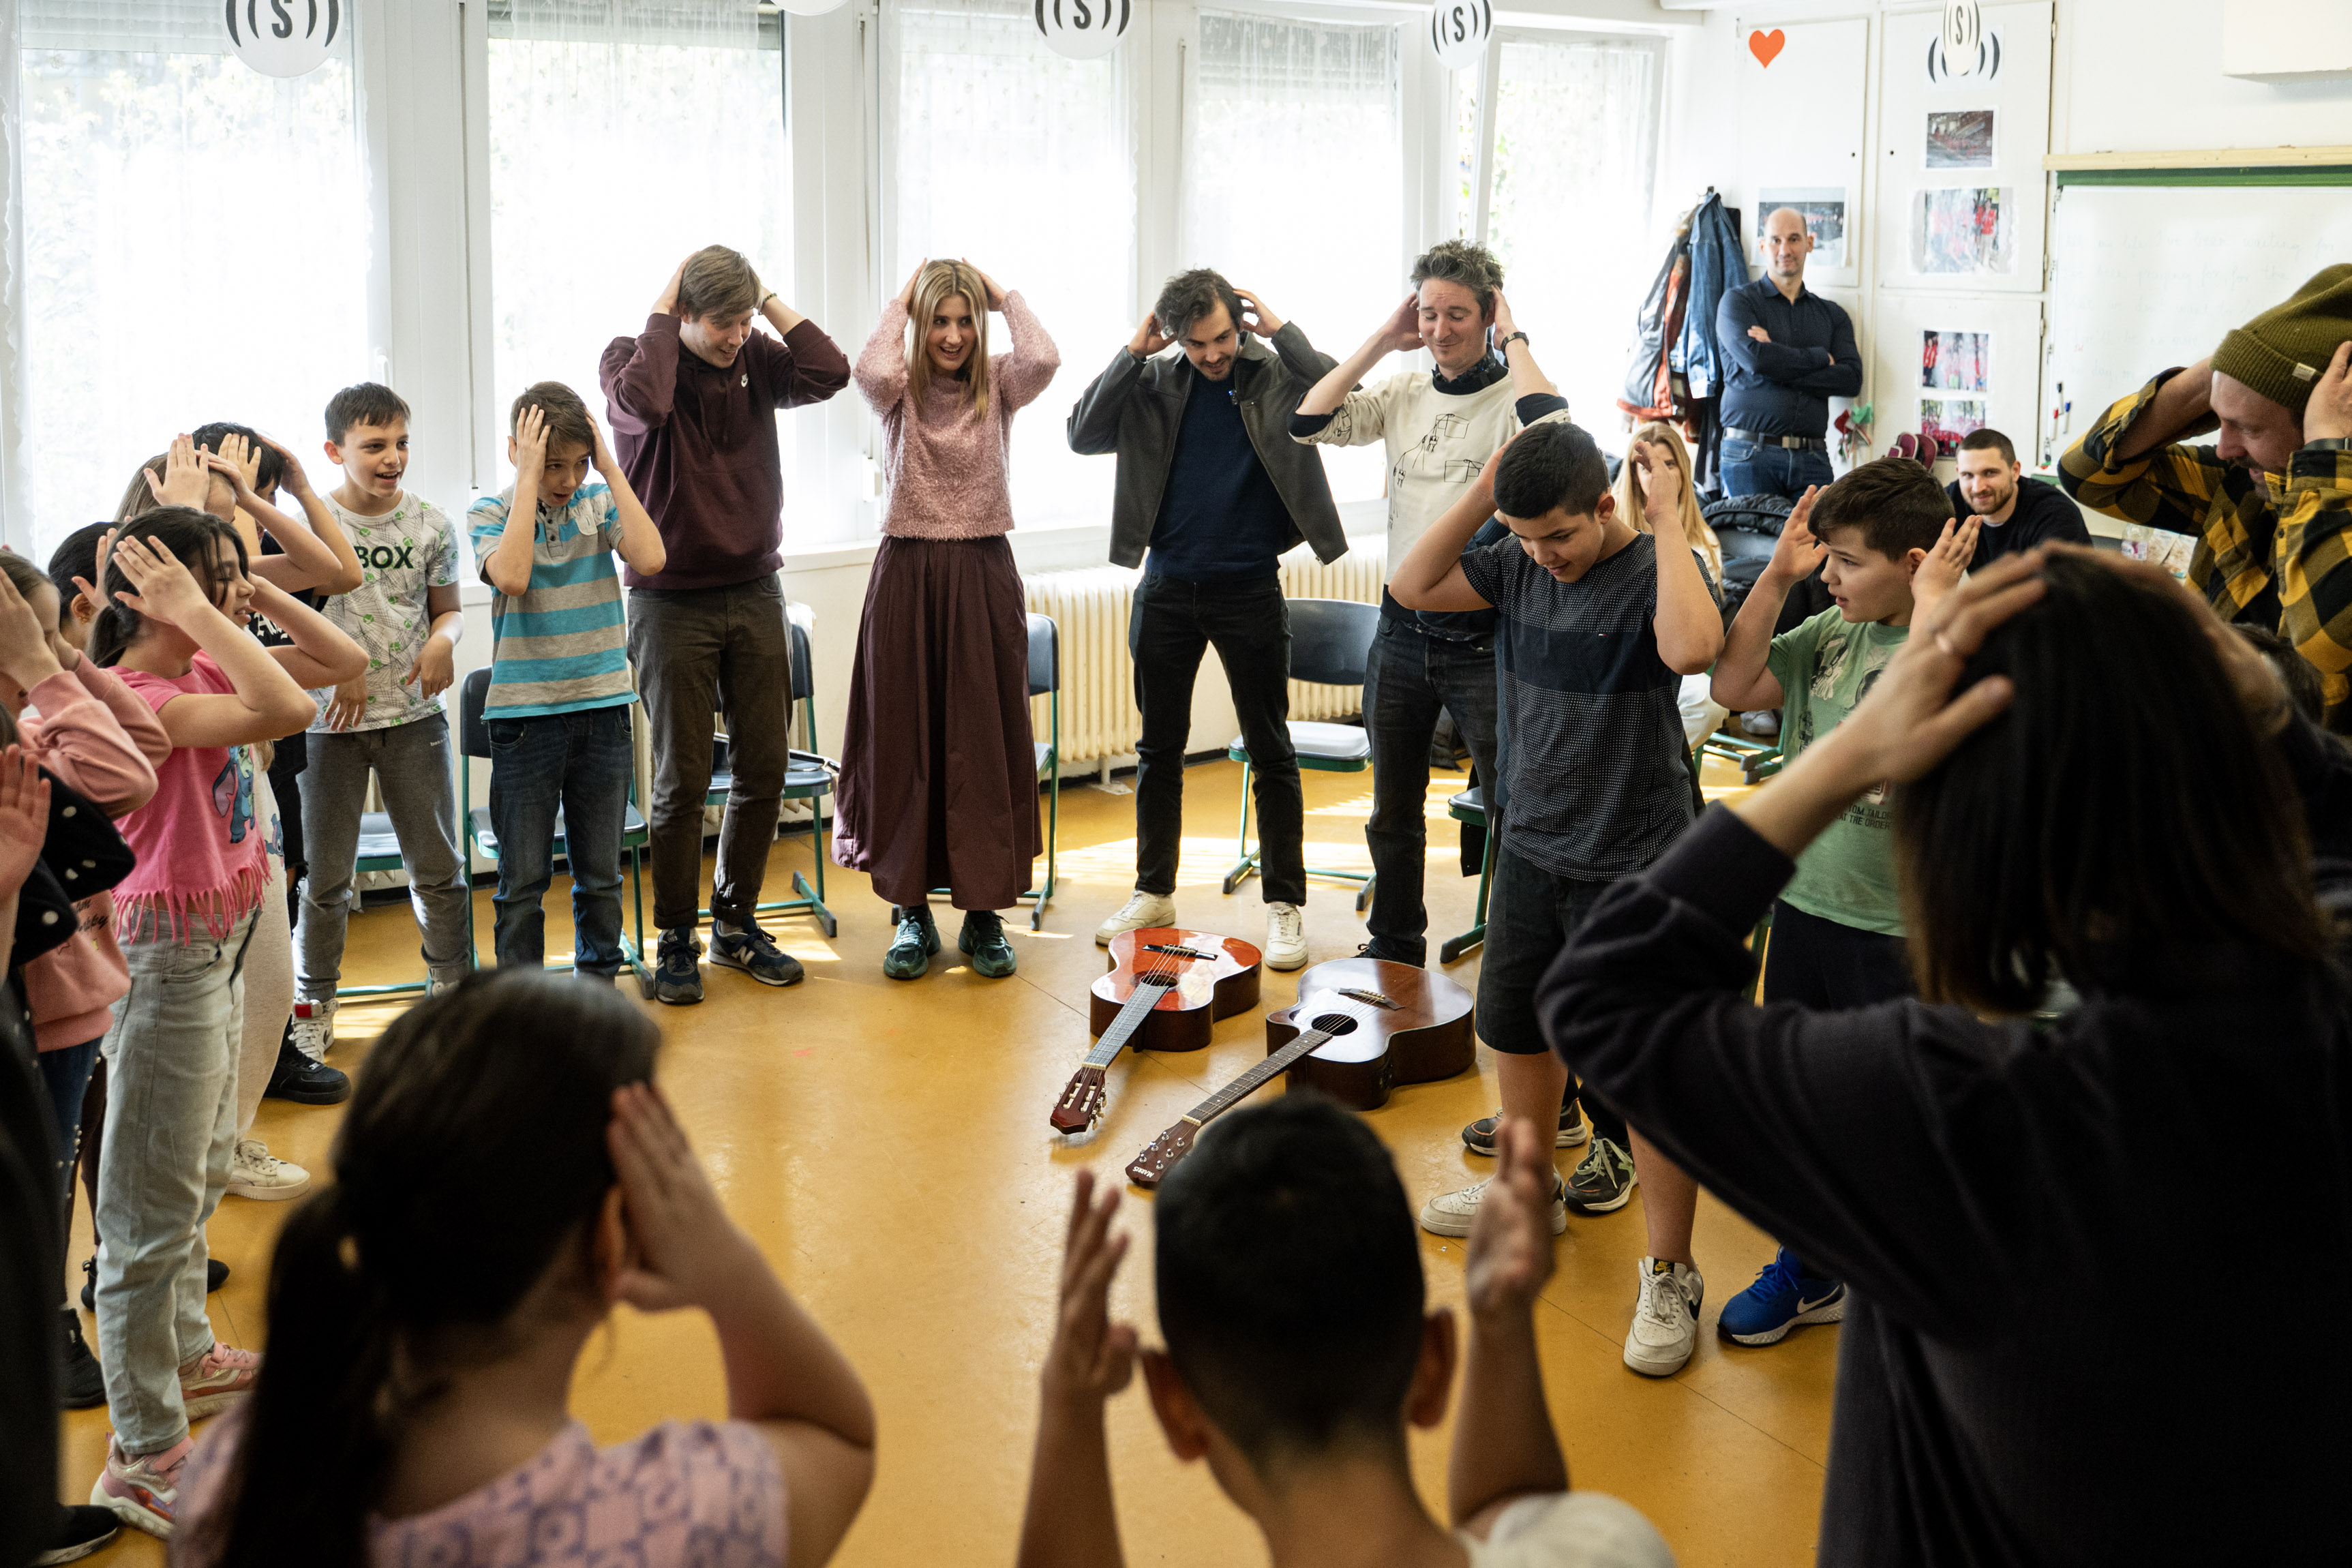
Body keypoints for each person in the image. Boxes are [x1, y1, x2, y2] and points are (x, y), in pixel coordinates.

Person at [1541, 547, 2352, 1563]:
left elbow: (1601, 996)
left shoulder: (1980, 1132)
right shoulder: (2320, 1011)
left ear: (1971, 851)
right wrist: (2256, 716)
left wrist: (1842, 757)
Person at [170, 971, 879, 1568]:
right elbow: (837, 1438)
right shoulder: (669, 1525)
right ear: (613, 1232)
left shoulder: (235, 1471)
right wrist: (728, 1267)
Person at [1016, 1096, 1674, 1568]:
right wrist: (1502, 1328)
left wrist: (1069, 1406)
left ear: (1174, 1408)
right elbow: (1519, 1516)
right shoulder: (1616, 1546)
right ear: (1434, 1363)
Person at [85, 509, 366, 1537]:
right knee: (147, 1215)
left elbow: (342, 659)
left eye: (235, 582)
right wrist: (205, 611)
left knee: (199, 1166)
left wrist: (237, 593)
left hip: (224, 936)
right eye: (215, 582)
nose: (234, 595)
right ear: (149, 597)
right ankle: (143, 1451)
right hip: (166, 961)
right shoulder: (149, 697)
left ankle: (191, 1353)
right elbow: (290, 704)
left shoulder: (209, 663)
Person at [1388, 421, 1722, 1265]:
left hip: (1635, 858)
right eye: (1527, 537)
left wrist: (1669, 519)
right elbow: (1411, 583)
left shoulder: (1656, 568)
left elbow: (1694, 649)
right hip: (1533, 842)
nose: (1544, 555)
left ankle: (1671, 1267)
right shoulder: (1513, 565)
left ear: (1606, 505)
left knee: (1643, 1070)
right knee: (1518, 1033)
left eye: (1561, 535)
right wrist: (1483, 492)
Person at [1702, 459, 1972, 1357]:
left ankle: (1904, 1282)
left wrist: (1938, 604)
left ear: (1914, 562)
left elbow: (1920, 727)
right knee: (1805, 1109)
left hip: (1909, 932)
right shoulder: (1829, 631)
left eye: (1846, 562)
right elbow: (1733, 688)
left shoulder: (1967, 646)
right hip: (1809, 912)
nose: (1830, 576)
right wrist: (1776, 576)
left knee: (1902, 1120)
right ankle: (1810, 1267)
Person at [1289, 239, 1567, 967]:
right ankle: (1394, 947)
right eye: (1428, 313)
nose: (1440, 329)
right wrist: (1383, 340)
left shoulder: (1511, 396)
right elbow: (1308, 422)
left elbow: (1553, 431)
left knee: (1515, 804)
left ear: (1488, 316)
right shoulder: (1405, 393)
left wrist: (1516, 338)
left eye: (1458, 314)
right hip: (1401, 634)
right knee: (1392, 811)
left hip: (1484, 637)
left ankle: (1520, 947)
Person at [1068, 269, 1343, 971]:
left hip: (1249, 587)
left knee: (1271, 748)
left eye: (1223, 336)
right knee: (1159, 750)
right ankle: (1154, 890)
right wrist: (1133, 353)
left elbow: (1347, 399)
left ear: (1240, 322)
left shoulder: (1273, 373)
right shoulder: (1154, 382)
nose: (1214, 353)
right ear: (1173, 337)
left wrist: (1284, 333)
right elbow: (1082, 433)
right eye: (1196, 343)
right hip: (1165, 587)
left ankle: (1285, 902)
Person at [602, 245, 851, 1006]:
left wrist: (765, 299)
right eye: (721, 322)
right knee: (680, 779)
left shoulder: (760, 358)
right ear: (682, 312)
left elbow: (830, 371)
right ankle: (676, 939)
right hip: (667, 599)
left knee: (765, 768)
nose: (736, 335)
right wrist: (664, 302)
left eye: (745, 320)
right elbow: (641, 404)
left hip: (755, 589)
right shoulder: (630, 358)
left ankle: (736, 922)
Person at [842, 259, 1058, 981]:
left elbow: (1045, 357)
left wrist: (1002, 294)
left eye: (967, 321)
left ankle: (985, 913)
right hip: (907, 573)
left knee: (982, 743)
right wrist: (903, 297)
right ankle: (911, 915)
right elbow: (868, 370)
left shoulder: (1001, 381)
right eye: (941, 319)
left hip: (981, 572)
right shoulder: (898, 389)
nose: (955, 335)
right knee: (905, 742)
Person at [0, 548, 167, 1417]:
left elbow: (144, 737)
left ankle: (65, 1300)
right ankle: (51, 1319)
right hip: (46, 1012)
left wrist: (60, 666)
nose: (60, 649)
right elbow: (129, 773)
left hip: (81, 998)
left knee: (71, 1174)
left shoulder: (37, 721)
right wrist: (39, 667)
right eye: (35, 631)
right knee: (41, 1196)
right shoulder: (20, 746)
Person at [2059, 265, 2352, 721]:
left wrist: (2328, 458)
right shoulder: (2248, 482)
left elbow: (2328, 646)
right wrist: (2228, 370)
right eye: (2220, 420)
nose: (2225, 445)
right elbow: (2088, 475)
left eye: (2249, 428)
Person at [291, 382, 471, 1061]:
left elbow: (447, 607)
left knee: (437, 867)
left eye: (401, 443)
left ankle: (452, 994)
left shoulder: (431, 524)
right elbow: (288, 618)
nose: (392, 456)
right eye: (374, 445)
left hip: (415, 716)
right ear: (336, 451)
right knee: (326, 880)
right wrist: (341, 665)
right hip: (324, 726)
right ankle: (313, 1005)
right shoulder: (310, 525)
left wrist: (442, 640)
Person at [468, 386, 667, 983]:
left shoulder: (598, 502)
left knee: (601, 875)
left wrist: (607, 464)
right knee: (523, 880)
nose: (568, 478)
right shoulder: (490, 513)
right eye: (554, 464)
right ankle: (521, 1003)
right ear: (517, 453)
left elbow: (652, 558)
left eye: (578, 463)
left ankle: (598, 991)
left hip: (603, 710)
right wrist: (530, 479)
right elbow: (514, 575)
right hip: (526, 720)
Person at [1715, 209, 1862, 502]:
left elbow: (1850, 380)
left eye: (1794, 239)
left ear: (1809, 242)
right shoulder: (1738, 303)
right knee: (1751, 549)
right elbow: (1757, 360)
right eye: (1776, 240)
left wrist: (1776, 360)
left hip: (1813, 459)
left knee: (1818, 548)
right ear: (1762, 247)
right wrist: (1821, 357)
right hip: (1748, 455)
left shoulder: (1833, 315)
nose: (1785, 249)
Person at [1614, 423, 1730, 750]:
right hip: (1616, 648)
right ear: (1634, 474)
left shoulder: (1704, 541)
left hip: (1672, 656)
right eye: (1648, 467)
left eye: (1669, 464)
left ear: (1683, 470)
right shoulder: (1611, 524)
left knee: (1709, 705)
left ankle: (1648, 764)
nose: (1659, 474)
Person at [1945, 428, 2088, 568]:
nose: (1978, 488)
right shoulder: (1950, 500)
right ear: (1958, 473)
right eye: (1968, 475)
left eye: (1990, 473)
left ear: (2015, 471)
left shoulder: (2056, 514)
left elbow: (2052, 588)